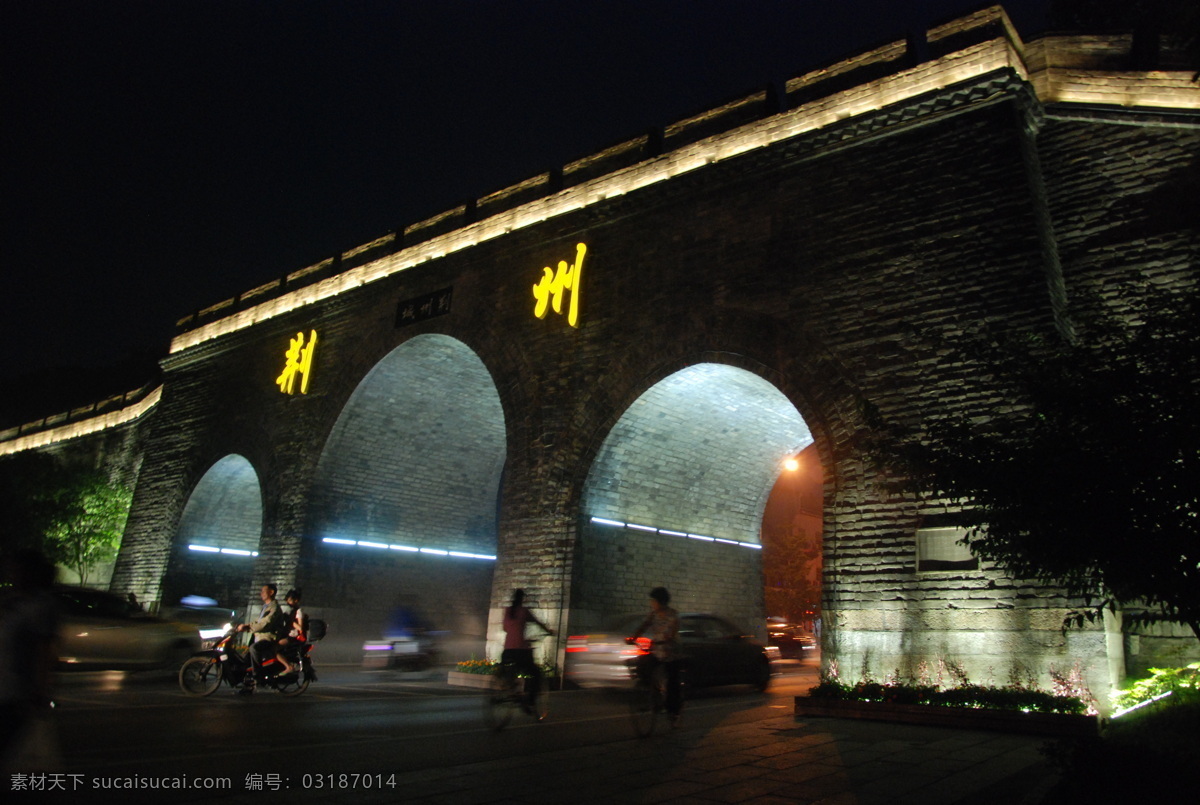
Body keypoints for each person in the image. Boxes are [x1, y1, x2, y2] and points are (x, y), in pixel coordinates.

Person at [0, 549, 60, 769]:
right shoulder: (10, 600)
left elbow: (44, 651)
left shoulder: (40, 606)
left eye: (14, 569)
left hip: (14, 692)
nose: (9, 573)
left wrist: (40, 691)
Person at [630, 586, 683, 726]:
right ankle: (651, 694)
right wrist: (633, 638)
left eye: (653, 601)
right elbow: (644, 626)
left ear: (660, 601)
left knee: (672, 682)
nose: (651, 603)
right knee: (644, 666)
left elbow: (672, 632)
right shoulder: (653, 615)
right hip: (656, 651)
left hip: (671, 653)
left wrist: (665, 639)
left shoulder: (673, 615)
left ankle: (674, 712)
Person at [500, 589, 553, 713]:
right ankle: (530, 701)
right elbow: (538, 623)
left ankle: (512, 689)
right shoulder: (524, 611)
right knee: (535, 673)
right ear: (522, 599)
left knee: (512, 670)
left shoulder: (508, 611)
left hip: (507, 651)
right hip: (520, 651)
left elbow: (505, 629)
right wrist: (549, 631)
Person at [237, 584, 285, 690]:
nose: (261, 594)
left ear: (271, 592)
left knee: (254, 648)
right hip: (259, 636)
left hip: (268, 638)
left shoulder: (274, 608)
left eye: (264, 591)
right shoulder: (266, 607)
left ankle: (258, 676)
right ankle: (246, 687)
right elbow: (258, 622)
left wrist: (249, 628)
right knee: (245, 660)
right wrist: (247, 626)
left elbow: (265, 623)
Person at [276, 589, 308, 676]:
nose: (288, 602)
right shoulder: (293, 611)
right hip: (289, 635)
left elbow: (300, 628)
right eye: (287, 600)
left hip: (294, 638)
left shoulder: (299, 611)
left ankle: (288, 666)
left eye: (289, 600)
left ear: (296, 600)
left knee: (273, 649)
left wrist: (290, 621)